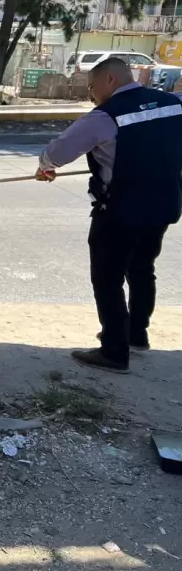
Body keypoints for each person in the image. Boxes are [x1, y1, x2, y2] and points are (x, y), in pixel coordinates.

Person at [35, 58, 182, 373]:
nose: (90, 95)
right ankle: (136, 336)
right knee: (142, 268)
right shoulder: (173, 104)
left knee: (107, 278)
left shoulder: (105, 117)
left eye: (91, 87)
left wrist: (45, 165)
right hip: (164, 205)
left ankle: (114, 352)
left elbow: (59, 152)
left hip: (121, 210)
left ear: (110, 80)